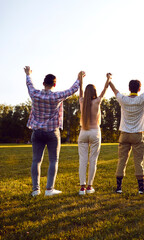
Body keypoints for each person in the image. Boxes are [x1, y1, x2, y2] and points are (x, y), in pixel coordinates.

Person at [25, 66, 82, 197]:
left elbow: (29, 84)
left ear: (43, 83)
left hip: (37, 132)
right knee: (53, 160)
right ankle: (49, 189)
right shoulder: (56, 96)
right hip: (52, 132)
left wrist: (28, 74)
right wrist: (79, 79)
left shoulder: (35, 94)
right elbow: (72, 90)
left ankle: (35, 190)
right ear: (54, 84)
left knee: (36, 161)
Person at [108, 65, 144, 194]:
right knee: (139, 161)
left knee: (122, 160)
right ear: (139, 89)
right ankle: (141, 188)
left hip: (124, 134)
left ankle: (119, 188)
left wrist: (109, 80)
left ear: (129, 88)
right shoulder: (142, 99)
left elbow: (115, 90)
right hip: (137, 134)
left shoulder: (123, 100)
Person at [78, 73, 112, 195]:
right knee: (93, 160)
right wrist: (108, 79)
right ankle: (89, 186)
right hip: (95, 133)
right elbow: (105, 89)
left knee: (82, 160)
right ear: (94, 92)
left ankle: (82, 188)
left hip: (83, 132)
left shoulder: (81, 101)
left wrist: (80, 78)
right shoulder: (97, 101)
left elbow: (80, 90)